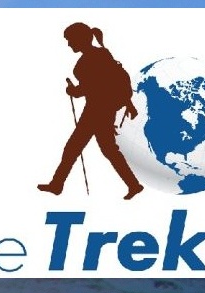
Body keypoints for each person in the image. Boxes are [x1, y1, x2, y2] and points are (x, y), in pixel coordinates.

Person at [40, 21, 143, 200]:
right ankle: (134, 185)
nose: (69, 44)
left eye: (70, 40)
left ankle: (57, 185)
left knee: (76, 148)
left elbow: (93, 87)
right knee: (105, 150)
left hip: (97, 111)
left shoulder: (91, 59)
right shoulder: (101, 54)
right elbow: (104, 83)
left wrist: (73, 91)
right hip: (101, 110)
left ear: (80, 39)